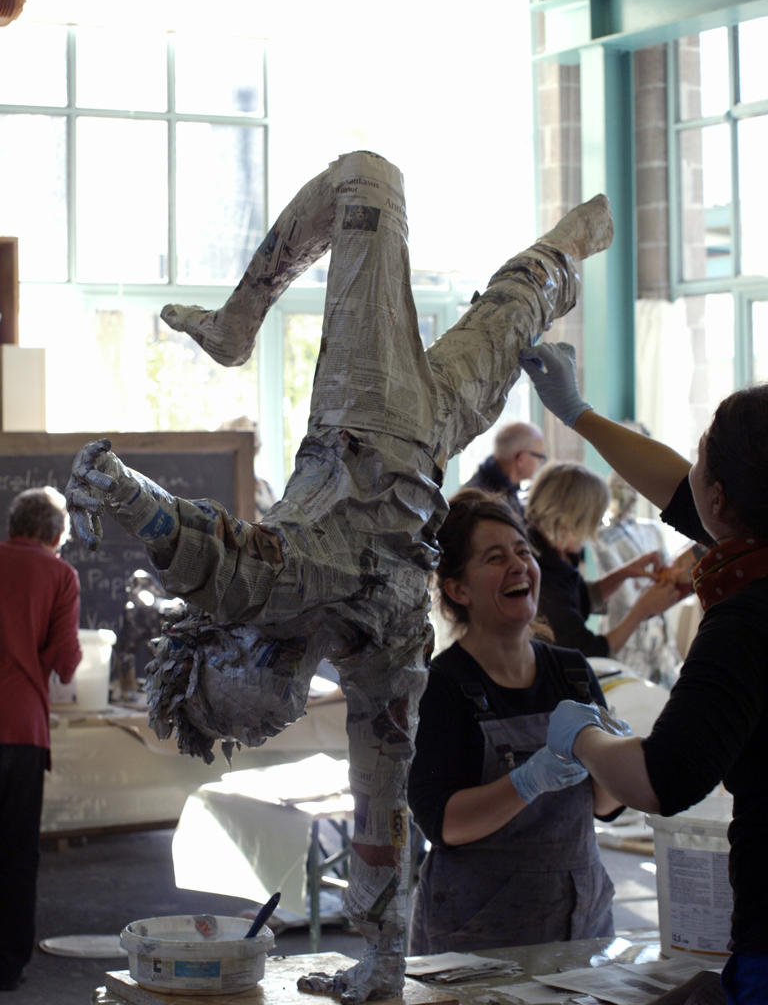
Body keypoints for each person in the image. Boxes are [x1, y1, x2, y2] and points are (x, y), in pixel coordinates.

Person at [65, 150, 614, 1005]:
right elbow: (381, 804)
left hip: (368, 410)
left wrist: (113, 488)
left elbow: (204, 552)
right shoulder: (378, 652)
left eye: (255, 686)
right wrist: (381, 963)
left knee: (370, 179)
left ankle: (238, 324)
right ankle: (580, 239)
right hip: (425, 441)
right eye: (276, 703)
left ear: (230, 653)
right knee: (525, 293)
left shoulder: (268, 593)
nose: (282, 696)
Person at [520, 339, 768, 1005]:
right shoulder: (751, 550)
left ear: (720, 499)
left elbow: (664, 779)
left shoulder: (748, 617)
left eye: (701, 461)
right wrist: (577, 413)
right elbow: (683, 490)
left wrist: (581, 735)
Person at [407, 488, 623, 953]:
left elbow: (607, 806)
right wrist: (528, 780)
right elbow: (442, 822)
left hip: (579, 925)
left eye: (524, 551)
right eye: (495, 557)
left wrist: (613, 757)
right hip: (479, 934)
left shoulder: (571, 670)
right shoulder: (443, 686)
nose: (519, 565)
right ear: (458, 589)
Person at [0, 487, 81, 992]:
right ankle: (6, 967)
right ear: (55, 536)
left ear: (13, 527)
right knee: (15, 852)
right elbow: (68, 662)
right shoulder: (60, 574)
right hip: (20, 729)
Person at [524, 461, 684, 660]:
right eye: (593, 521)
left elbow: (582, 599)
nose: (592, 532)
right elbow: (591, 652)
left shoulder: (556, 552)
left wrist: (626, 572)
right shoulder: (541, 576)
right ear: (570, 519)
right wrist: (642, 610)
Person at [594, 467, 702, 686]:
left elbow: (667, 572)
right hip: (627, 631)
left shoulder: (651, 529)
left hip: (658, 632)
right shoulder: (602, 537)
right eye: (621, 489)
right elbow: (623, 597)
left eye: (632, 489)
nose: (629, 496)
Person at [463, 420, 546, 520]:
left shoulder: (496, 487)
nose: (541, 461)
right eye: (540, 456)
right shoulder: (488, 502)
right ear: (521, 459)